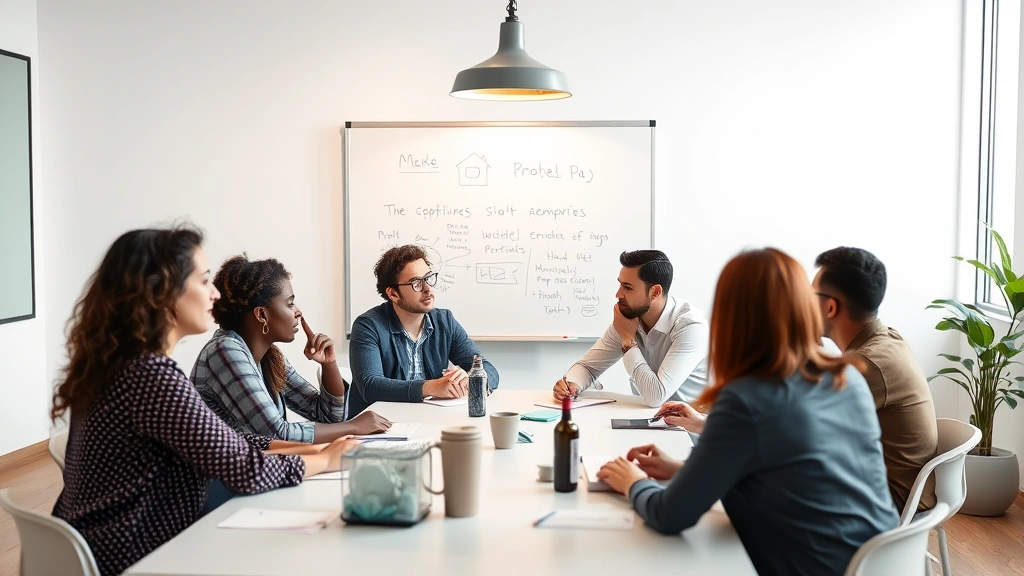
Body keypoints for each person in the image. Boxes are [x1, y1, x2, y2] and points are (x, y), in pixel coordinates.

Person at [51, 226, 356, 576]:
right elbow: (243, 469)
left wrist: (312, 451)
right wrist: (327, 461)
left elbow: (225, 444)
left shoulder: (122, 365)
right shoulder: (150, 375)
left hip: (106, 542)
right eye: (203, 281)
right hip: (136, 554)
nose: (214, 294)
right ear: (162, 293)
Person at [597, 248, 898, 576]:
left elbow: (670, 516)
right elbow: (790, 469)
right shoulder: (846, 376)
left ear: (731, 316)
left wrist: (633, 482)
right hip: (881, 561)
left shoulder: (746, 400)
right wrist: (685, 469)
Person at [191, 255, 390, 443]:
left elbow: (328, 416)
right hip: (218, 478)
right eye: (290, 303)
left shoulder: (270, 357)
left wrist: (329, 364)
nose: (298, 312)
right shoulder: (225, 351)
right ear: (261, 314)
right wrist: (352, 427)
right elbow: (275, 434)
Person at [812, 246, 938, 513]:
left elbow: (799, 427)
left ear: (830, 306)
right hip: (883, 484)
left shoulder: (868, 364)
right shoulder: (886, 338)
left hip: (889, 501)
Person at [348, 244, 498, 415]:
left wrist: (472, 378)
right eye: (416, 283)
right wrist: (431, 387)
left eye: (428, 278)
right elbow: (370, 386)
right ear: (393, 294)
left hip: (428, 419)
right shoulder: (368, 326)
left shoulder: (445, 322)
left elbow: (488, 368)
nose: (427, 288)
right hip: (378, 425)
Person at [553, 250, 708, 407]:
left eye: (627, 287)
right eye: (620, 284)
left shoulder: (691, 327)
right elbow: (588, 367)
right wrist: (572, 384)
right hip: (649, 419)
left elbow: (656, 396)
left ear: (655, 292)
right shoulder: (630, 317)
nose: (618, 294)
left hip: (688, 428)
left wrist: (628, 340)